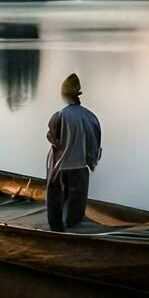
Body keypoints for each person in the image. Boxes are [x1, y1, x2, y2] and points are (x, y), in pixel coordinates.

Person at [46, 73, 101, 231]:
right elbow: (95, 146)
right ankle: (74, 234)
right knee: (76, 211)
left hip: (61, 169)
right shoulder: (91, 117)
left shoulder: (60, 116)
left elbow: (53, 139)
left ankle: (56, 234)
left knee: (55, 208)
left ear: (64, 95)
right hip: (80, 169)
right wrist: (91, 162)